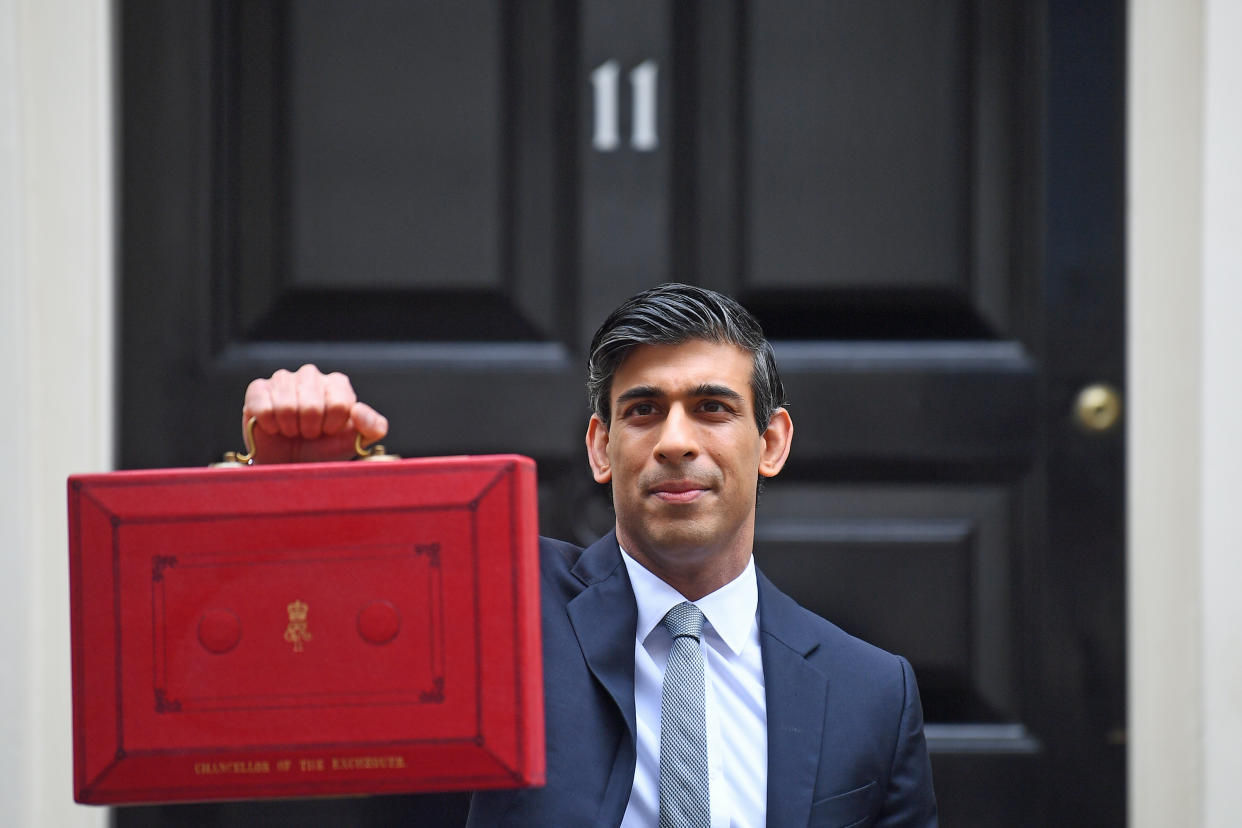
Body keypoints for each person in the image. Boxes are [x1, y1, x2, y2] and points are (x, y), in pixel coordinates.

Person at [242, 284, 938, 827]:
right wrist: (297, 498)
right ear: (602, 448)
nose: (674, 440)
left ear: (773, 442)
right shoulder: (495, 600)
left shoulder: (871, 694)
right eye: (642, 410)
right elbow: (307, 653)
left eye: (712, 408)